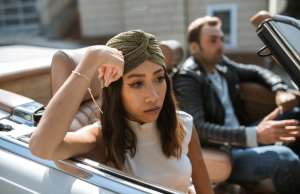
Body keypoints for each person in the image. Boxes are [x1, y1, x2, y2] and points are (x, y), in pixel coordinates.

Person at [29, 30, 214, 194]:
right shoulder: (102, 137)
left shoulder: (183, 124)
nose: (154, 96)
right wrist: (90, 60)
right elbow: (41, 147)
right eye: (137, 83)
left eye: (159, 78)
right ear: (115, 92)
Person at [172, 16, 300, 194]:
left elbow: (257, 72)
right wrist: (254, 134)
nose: (220, 45)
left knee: (295, 114)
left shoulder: (221, 65)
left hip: (244, 136)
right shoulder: (187, 77)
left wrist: (280, 89)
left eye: (221, 39)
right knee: (286, 159)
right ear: (195, 47)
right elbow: (198, 128)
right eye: (213, 40)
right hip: (225, 151)